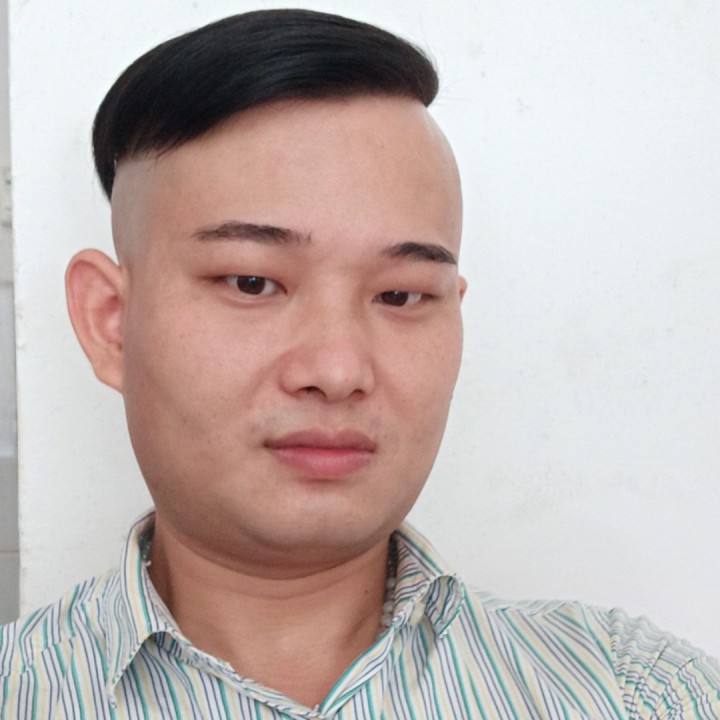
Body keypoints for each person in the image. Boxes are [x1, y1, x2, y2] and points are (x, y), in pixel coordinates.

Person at [1, 8, 718, 719]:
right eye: (252, 282)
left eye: (401, 295)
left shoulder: (642, 695)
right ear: (111, 322)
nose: (338, 370)